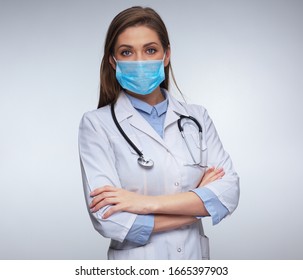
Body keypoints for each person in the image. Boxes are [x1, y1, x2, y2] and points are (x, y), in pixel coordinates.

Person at [78, 6, 239, 260]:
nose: (140, 60)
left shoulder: (197, 117)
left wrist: (142, 203)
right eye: (127, 52)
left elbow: (228, 193)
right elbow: (109, 219)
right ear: (113, 60)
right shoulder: (97, 125)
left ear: (166, 56)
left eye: (150, 50)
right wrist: (197, 204)